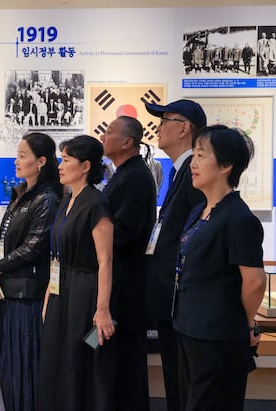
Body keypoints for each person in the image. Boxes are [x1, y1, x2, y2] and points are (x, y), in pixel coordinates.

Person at [173, 125, 266, 410]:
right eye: (193, 155)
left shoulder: (239, 219)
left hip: (218, 335)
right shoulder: (199, 210)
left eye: (201, 155)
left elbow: (255, 282)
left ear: (226, 165)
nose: (193, 163)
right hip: (188, 327)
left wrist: (245, 322)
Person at [0, 131, 62, 411]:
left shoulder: (47, 199)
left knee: (25, 367)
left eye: (22, 155)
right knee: (9, 365)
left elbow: (34, 246)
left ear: (41, 161)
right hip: (9, 294)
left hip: (28, 296)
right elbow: (3, 241)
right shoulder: (20, 195)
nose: (16, 161)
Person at [38, 135, 116, 411]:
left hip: (85, 293)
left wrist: (102, 309)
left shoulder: (96, 203)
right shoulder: (67, 199)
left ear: (85, 166)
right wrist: (48, 296)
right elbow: (56, 256)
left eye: (66, 160)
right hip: (60, 291)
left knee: (78, 361)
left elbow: (105, 261)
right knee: (55, 360)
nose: (60, 166)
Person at [144, 99, 206, 411]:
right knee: (174, 381)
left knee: (183, 387)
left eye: (165, 120)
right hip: (169, 298)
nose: (158, 127)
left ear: (184, 128)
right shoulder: (178, 172)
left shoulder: (193, 174)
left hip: (181, 300)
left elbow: (194, 237)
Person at [100, 116, 156, 411]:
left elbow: (123, 232)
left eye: (109, 132)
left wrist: (91, 241)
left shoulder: (135, 177)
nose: (103, 137)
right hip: (119, 282)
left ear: (127, 142)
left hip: (126, 287)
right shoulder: (122, 174)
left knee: (127, 367)